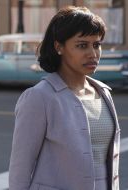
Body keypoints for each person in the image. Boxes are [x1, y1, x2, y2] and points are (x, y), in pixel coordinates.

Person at [9, 6, 120, 190]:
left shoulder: (103, 93)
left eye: (97, 44)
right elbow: (20, 168)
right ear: (58, 47)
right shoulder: (39, 97)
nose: (93, 54)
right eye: (82, 45)